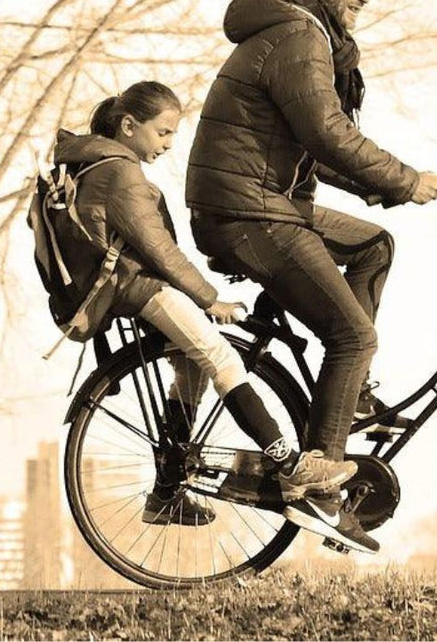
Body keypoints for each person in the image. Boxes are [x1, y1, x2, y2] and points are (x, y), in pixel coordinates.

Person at [185, 0, 437, 551]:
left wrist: (382, 190)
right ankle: (321, 489)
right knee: (353, 334)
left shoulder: (295, 31)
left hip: (260, 203)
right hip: (250, 212)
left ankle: (346, 391)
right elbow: (327, 131)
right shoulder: (300, 34)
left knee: (372, 246)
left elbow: (308, 141)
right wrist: (407, 178)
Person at [56, 81, 356, 527]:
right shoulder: (118, 174)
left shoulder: (94, 164)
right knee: (220, 355)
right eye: (163, 133)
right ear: (128, 125)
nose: (169, 145)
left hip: (128, 286)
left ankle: (165, 493)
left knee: (192, 366)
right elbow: (159, 250)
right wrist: (209, 299)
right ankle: (291, 466)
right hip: (137, 288)